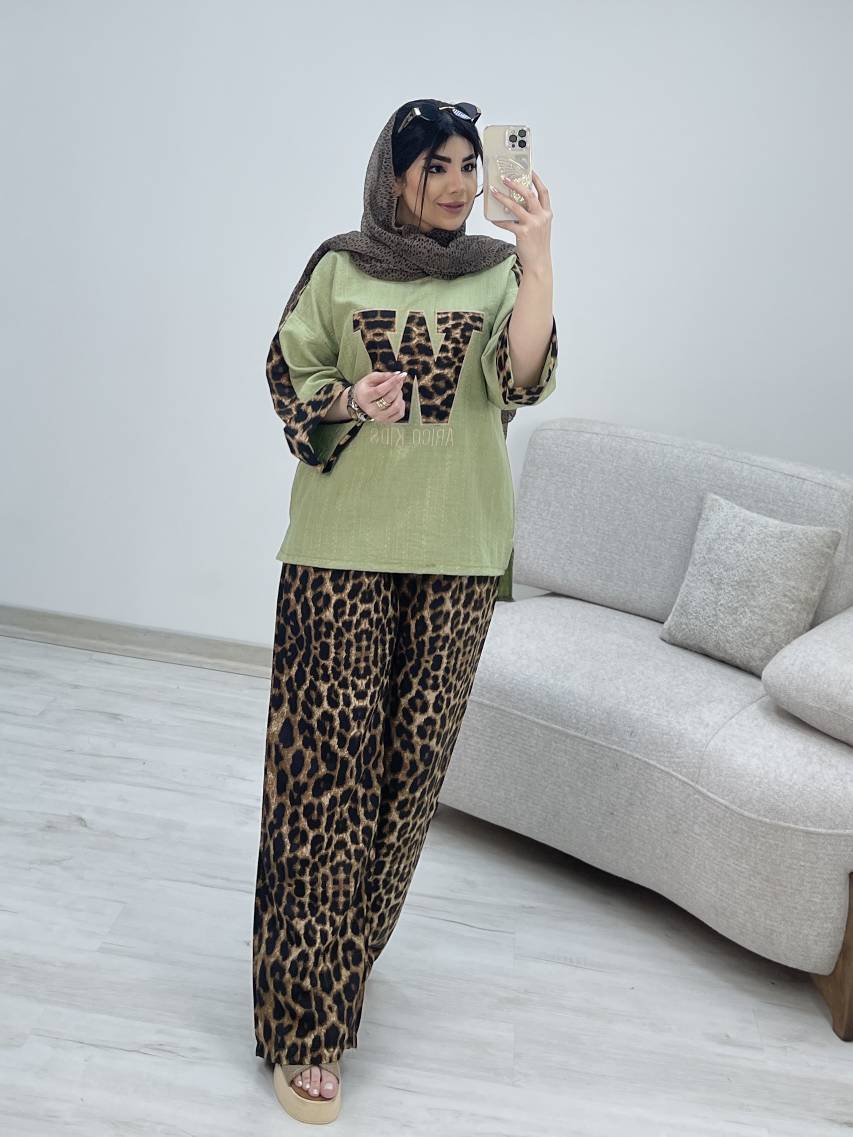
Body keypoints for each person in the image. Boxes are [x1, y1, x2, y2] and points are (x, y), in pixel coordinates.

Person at [252, 98, 558, 1124]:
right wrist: (351, 400)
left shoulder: (497, 269)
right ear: (395, 175)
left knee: (404, 789)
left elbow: (520, 378)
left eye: (471, 163)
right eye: (439, 166)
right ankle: (305, 1027)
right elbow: (291, 374)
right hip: (339, 551)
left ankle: (340, 975)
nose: (461, 183)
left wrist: (538, 252)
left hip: (458, 555)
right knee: (322, 790)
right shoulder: (338, 267)